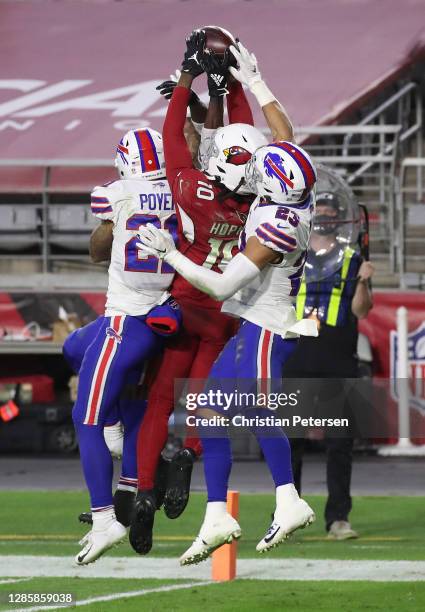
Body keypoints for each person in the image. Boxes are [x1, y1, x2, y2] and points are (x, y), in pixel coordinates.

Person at [137, 40, 319, 565]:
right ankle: (217, 514)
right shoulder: (291, 187)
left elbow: (218, 288)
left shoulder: (276, 224)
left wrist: (172, 253)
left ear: (270, 186)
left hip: (266, 325)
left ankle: (288, 500)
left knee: (262, 412)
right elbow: (284, 136)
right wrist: (255, 82)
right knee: (209, 410)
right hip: (251, 322)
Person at [129, 29, 269, 555]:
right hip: (225, 312)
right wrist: (226, 86)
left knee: (160, 400)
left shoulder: (193, 187)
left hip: (185, 302)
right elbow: (243, 137)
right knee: (203, 406)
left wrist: (189, 76)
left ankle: (144, 491)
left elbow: (173, 135)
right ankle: (187, 452)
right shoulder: (259, 206)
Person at [69, 127, 182, 565]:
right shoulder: (178, 188)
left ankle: (105, 519)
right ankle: (133, 471)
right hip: (162, 313)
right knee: (75, 349)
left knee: (86, 417)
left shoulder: (115, 192)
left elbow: (100, 239)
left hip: (127, 318)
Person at [283, 191, 374, 540]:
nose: (323, 215)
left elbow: (361, 311)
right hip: (297, 354)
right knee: (290, 442)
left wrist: (364, 281)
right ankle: (288, 516)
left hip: (339, 357)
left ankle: (338, 519)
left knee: (340, 444)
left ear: (340, 216)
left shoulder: (353, 258)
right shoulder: (293, 254)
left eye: (329, 210)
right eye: (318, 209)